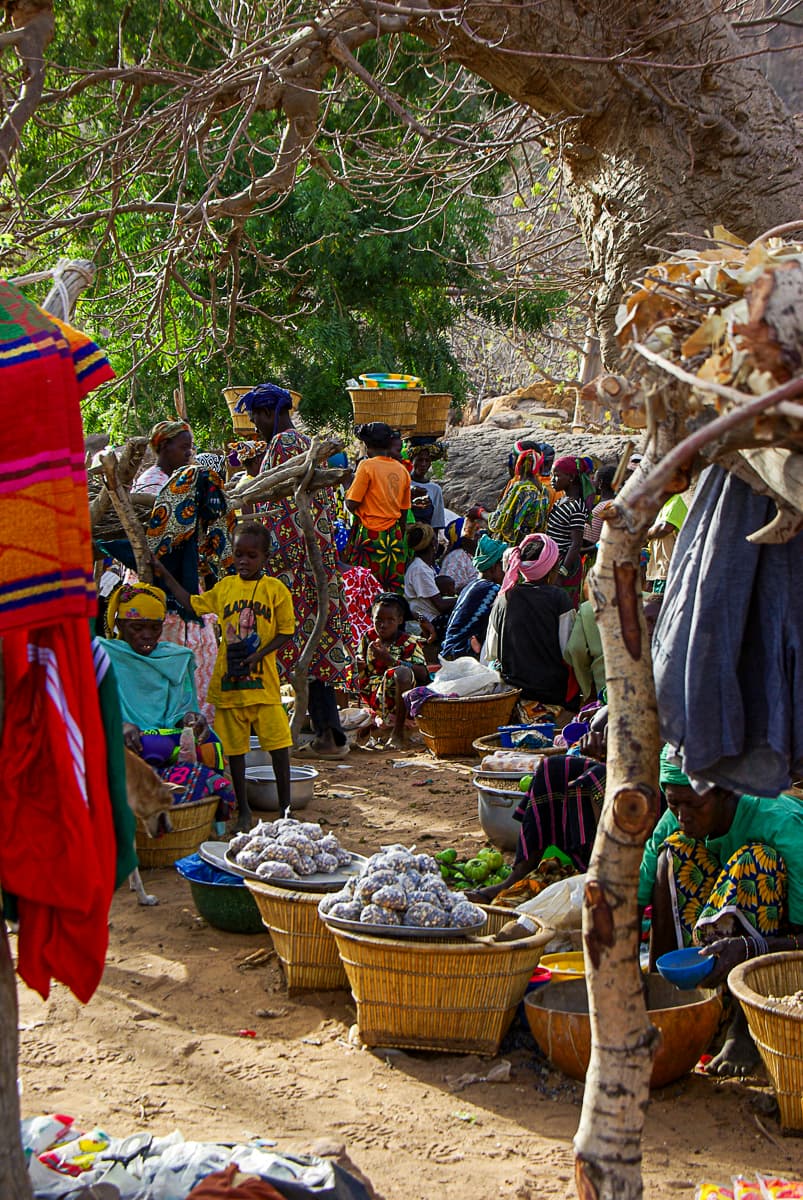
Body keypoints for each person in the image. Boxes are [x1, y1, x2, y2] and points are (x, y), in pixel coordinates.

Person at [640, 747, 803, 1076]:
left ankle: (744, 1027)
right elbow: (629, 901)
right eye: (674, 803)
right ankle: (671, 1003)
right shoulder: (676, 820)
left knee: (756, 862)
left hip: (778, 963)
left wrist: (748, 949)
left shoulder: (780, 823)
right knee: (671, 856)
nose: (683, 815)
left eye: (694, 805)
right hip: (719, 947)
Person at [235, 383, 355, 759]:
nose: (254, 425)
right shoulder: (303, 444)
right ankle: (326, 731)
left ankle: (326, 734)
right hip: (312, 562)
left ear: (269, 412)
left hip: (299, 566)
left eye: (255, 416)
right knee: (312, 648)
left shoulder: (284, 446)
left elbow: (283, 513)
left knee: (303, 646)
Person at [155, 521, 295, 831]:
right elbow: (192, 602)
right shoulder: (226, 587)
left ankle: (286, 810)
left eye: (251, 555)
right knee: (235, 753)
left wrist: (257, 655)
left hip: (265, 688)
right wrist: (164, 575)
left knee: (279, 748)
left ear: (265, 557)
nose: (243, 561)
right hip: (229, 688)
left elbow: (286, 631)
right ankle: (243, 811)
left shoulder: (275, 590)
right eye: (238, 555)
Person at [98, 582, 235, 816]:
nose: (147, 636)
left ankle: (193, 811)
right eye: (137, 628)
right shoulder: (103, 655)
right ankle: (177, 793)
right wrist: (117, 725)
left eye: (154, 628)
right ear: (120, 625)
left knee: (211, 744)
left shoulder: (176, 659)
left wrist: (190, 719)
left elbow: (182, 709)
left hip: (163, 740)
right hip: (120, 739)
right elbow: (90, 707)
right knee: (134, 751)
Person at [484, 533, 572, 703]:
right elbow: (568, 650)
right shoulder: (559, 598)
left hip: (511, 694)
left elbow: (491, 651)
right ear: (552, 568)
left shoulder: (504, 597)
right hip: (550, 693)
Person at [343, 421, 412, 590]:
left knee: (364, 585)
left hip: (369, 535)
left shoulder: (366, 466)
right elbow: (403, 512)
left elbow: (352, 504)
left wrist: (347, 489)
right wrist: (398, 537)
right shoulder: (402, 470)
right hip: (393, 536)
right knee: (388, 586)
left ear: (366, 446)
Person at [356, 593, 430, 748]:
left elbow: (423, 672)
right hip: (374, 692)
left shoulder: (408, 642)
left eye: (390, 620)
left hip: (400, 695)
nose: (383, 625)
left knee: (401, 672)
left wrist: (390, 660)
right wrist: (358, 664)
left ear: (400, 620)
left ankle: (398, 733)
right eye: (379, 620)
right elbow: (361, 662)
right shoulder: (368, 637)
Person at [441, 533, 507, 660]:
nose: (507, 572)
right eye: (503, 566)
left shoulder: (473, 585)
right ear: (494, 567)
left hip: (452, 649)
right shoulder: (492, 589)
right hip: (461, 653)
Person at [547, 456, 596, 608]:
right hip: (555, 560)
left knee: (563, 608)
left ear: (571, 477)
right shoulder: (562, 501)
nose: (553, 480)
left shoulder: (576, 507)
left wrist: (562, 573)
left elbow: (576, 543)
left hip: (565, 564)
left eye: (557, 475)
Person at [404, 522, 455, 642]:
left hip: (427, 618)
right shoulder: (420, 569)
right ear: (433, 543)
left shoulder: (426, 567)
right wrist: (465, 597)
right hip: (425, 622)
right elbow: (440, 605)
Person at [487, 448, 550, 545]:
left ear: (518, 466)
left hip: (513, 546)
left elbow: (502, 522)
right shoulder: (544, 490)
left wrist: (481, 513)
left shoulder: (520, 489)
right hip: (530, 545)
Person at [132, 421, 193, 495]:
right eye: (184, 447)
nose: (189, 453)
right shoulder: (153, 484)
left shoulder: (172, 479)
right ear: (164, 445)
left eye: (190, 448)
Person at [646, 491, 688, 593]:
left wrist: (642, 535)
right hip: (661, 570)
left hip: (669, 571)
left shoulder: (676, 500)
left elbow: (665, 528)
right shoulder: (665, 504)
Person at [440, 507, 485, 593]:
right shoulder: (456, 557)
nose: (478, 535)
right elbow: (452, 589)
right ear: (463, 540)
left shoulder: (471, 555)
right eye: (475, 532)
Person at [408, 445, 446, 530]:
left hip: (425, 537)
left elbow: (436, 522)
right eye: (420, 460)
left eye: (427, 460)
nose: (423, 464)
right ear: (412, 461)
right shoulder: (404, 483)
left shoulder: (435, 489)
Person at [584, 463, 617, 545]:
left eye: (595, 479)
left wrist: (582, 551)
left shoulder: (609, 505)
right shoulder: (603, 502)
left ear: (600, 483)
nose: (592, 482)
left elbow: (607, 540)